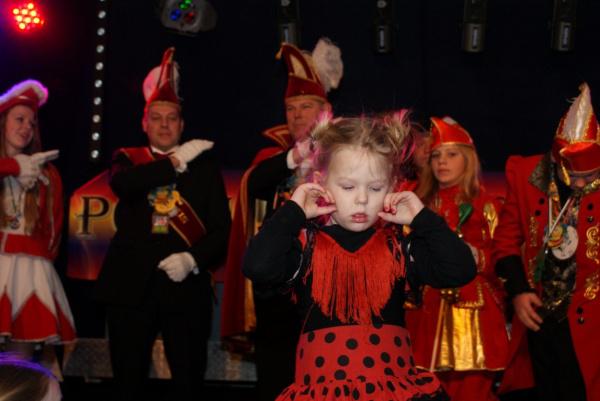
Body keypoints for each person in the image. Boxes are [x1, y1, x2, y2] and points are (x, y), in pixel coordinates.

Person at [243, 114, 477, 401]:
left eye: (375, 188)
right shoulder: (305, 245)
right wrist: (293, 212)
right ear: (321, 183)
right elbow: (257, 266)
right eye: (348, 187)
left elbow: (460, 270)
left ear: (392, 187)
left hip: (394, 393)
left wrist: (422, 218)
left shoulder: (400, 246)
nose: (362, 199)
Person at [93, 48, 231, 401]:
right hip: (130, 290)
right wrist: (174, 162)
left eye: (172, 118)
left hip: (185, 291)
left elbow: (221, 231)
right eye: (156, 118)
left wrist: (192, 259)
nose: (165, 125)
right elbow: (125, 185)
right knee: (128, 383)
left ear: (182, 125)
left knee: (188, 383)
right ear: (144, 124)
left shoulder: (204, 168)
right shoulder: (127, 160)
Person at [221, 38, 343, 401]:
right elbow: (254, 184)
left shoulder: (345, 152)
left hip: (327, 283)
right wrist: (294, 157)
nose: (297, 115)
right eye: (291, 108)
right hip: (279, 289)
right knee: (275, 379)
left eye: (306, 107)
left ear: (326, 110)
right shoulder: (273, 157)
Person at [493, 82, 600, 401]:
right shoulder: (527, 174)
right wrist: (518, 292)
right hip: (539, 316)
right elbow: (505, 243)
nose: (581, 184)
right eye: (574, 176)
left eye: (591, 177)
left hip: (592, 322)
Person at [406, 117, 509, 401]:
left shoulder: (486, 204)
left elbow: (504, 258)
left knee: (472, 390)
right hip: (426, 313)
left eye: (451, 154)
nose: (442, 162)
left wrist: (476, 257)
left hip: (471, 316)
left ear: (468, 159)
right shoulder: (417, 203)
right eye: (436, 155)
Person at [0, 80, 74, 360]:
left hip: (29, 271)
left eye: (31, 123)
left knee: (20, 365)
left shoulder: (47, 174)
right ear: (3, 122)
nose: (26, 128)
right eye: (19, 119)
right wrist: (12, 166)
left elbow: (53, 231)